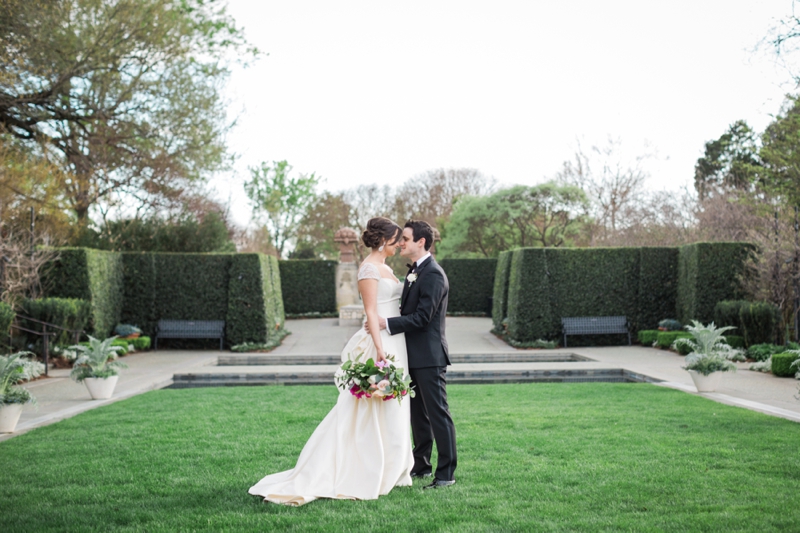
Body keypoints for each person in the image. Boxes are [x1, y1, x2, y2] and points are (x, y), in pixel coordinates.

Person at [248, 217, 414, 506]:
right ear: (383, 240)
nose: (399, 243)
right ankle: (364, 467)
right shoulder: (367, 269)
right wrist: (378, 349)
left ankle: (394, 467)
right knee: (371, 407)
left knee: (394, 405)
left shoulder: (388, 268)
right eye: (396, 238)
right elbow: (371, 312)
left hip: (396, 341)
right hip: (381, 343)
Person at [368, 219, 457, 490]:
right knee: (418, 416)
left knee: (438, 414)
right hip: (411, 356)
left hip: (430, 357)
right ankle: (421, 466)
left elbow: (422, 318)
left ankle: (445, 474)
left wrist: (387, 324)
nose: (400, 243)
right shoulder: (414, 272)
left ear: (421, 242)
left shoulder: (432, 274)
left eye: (405, 238)